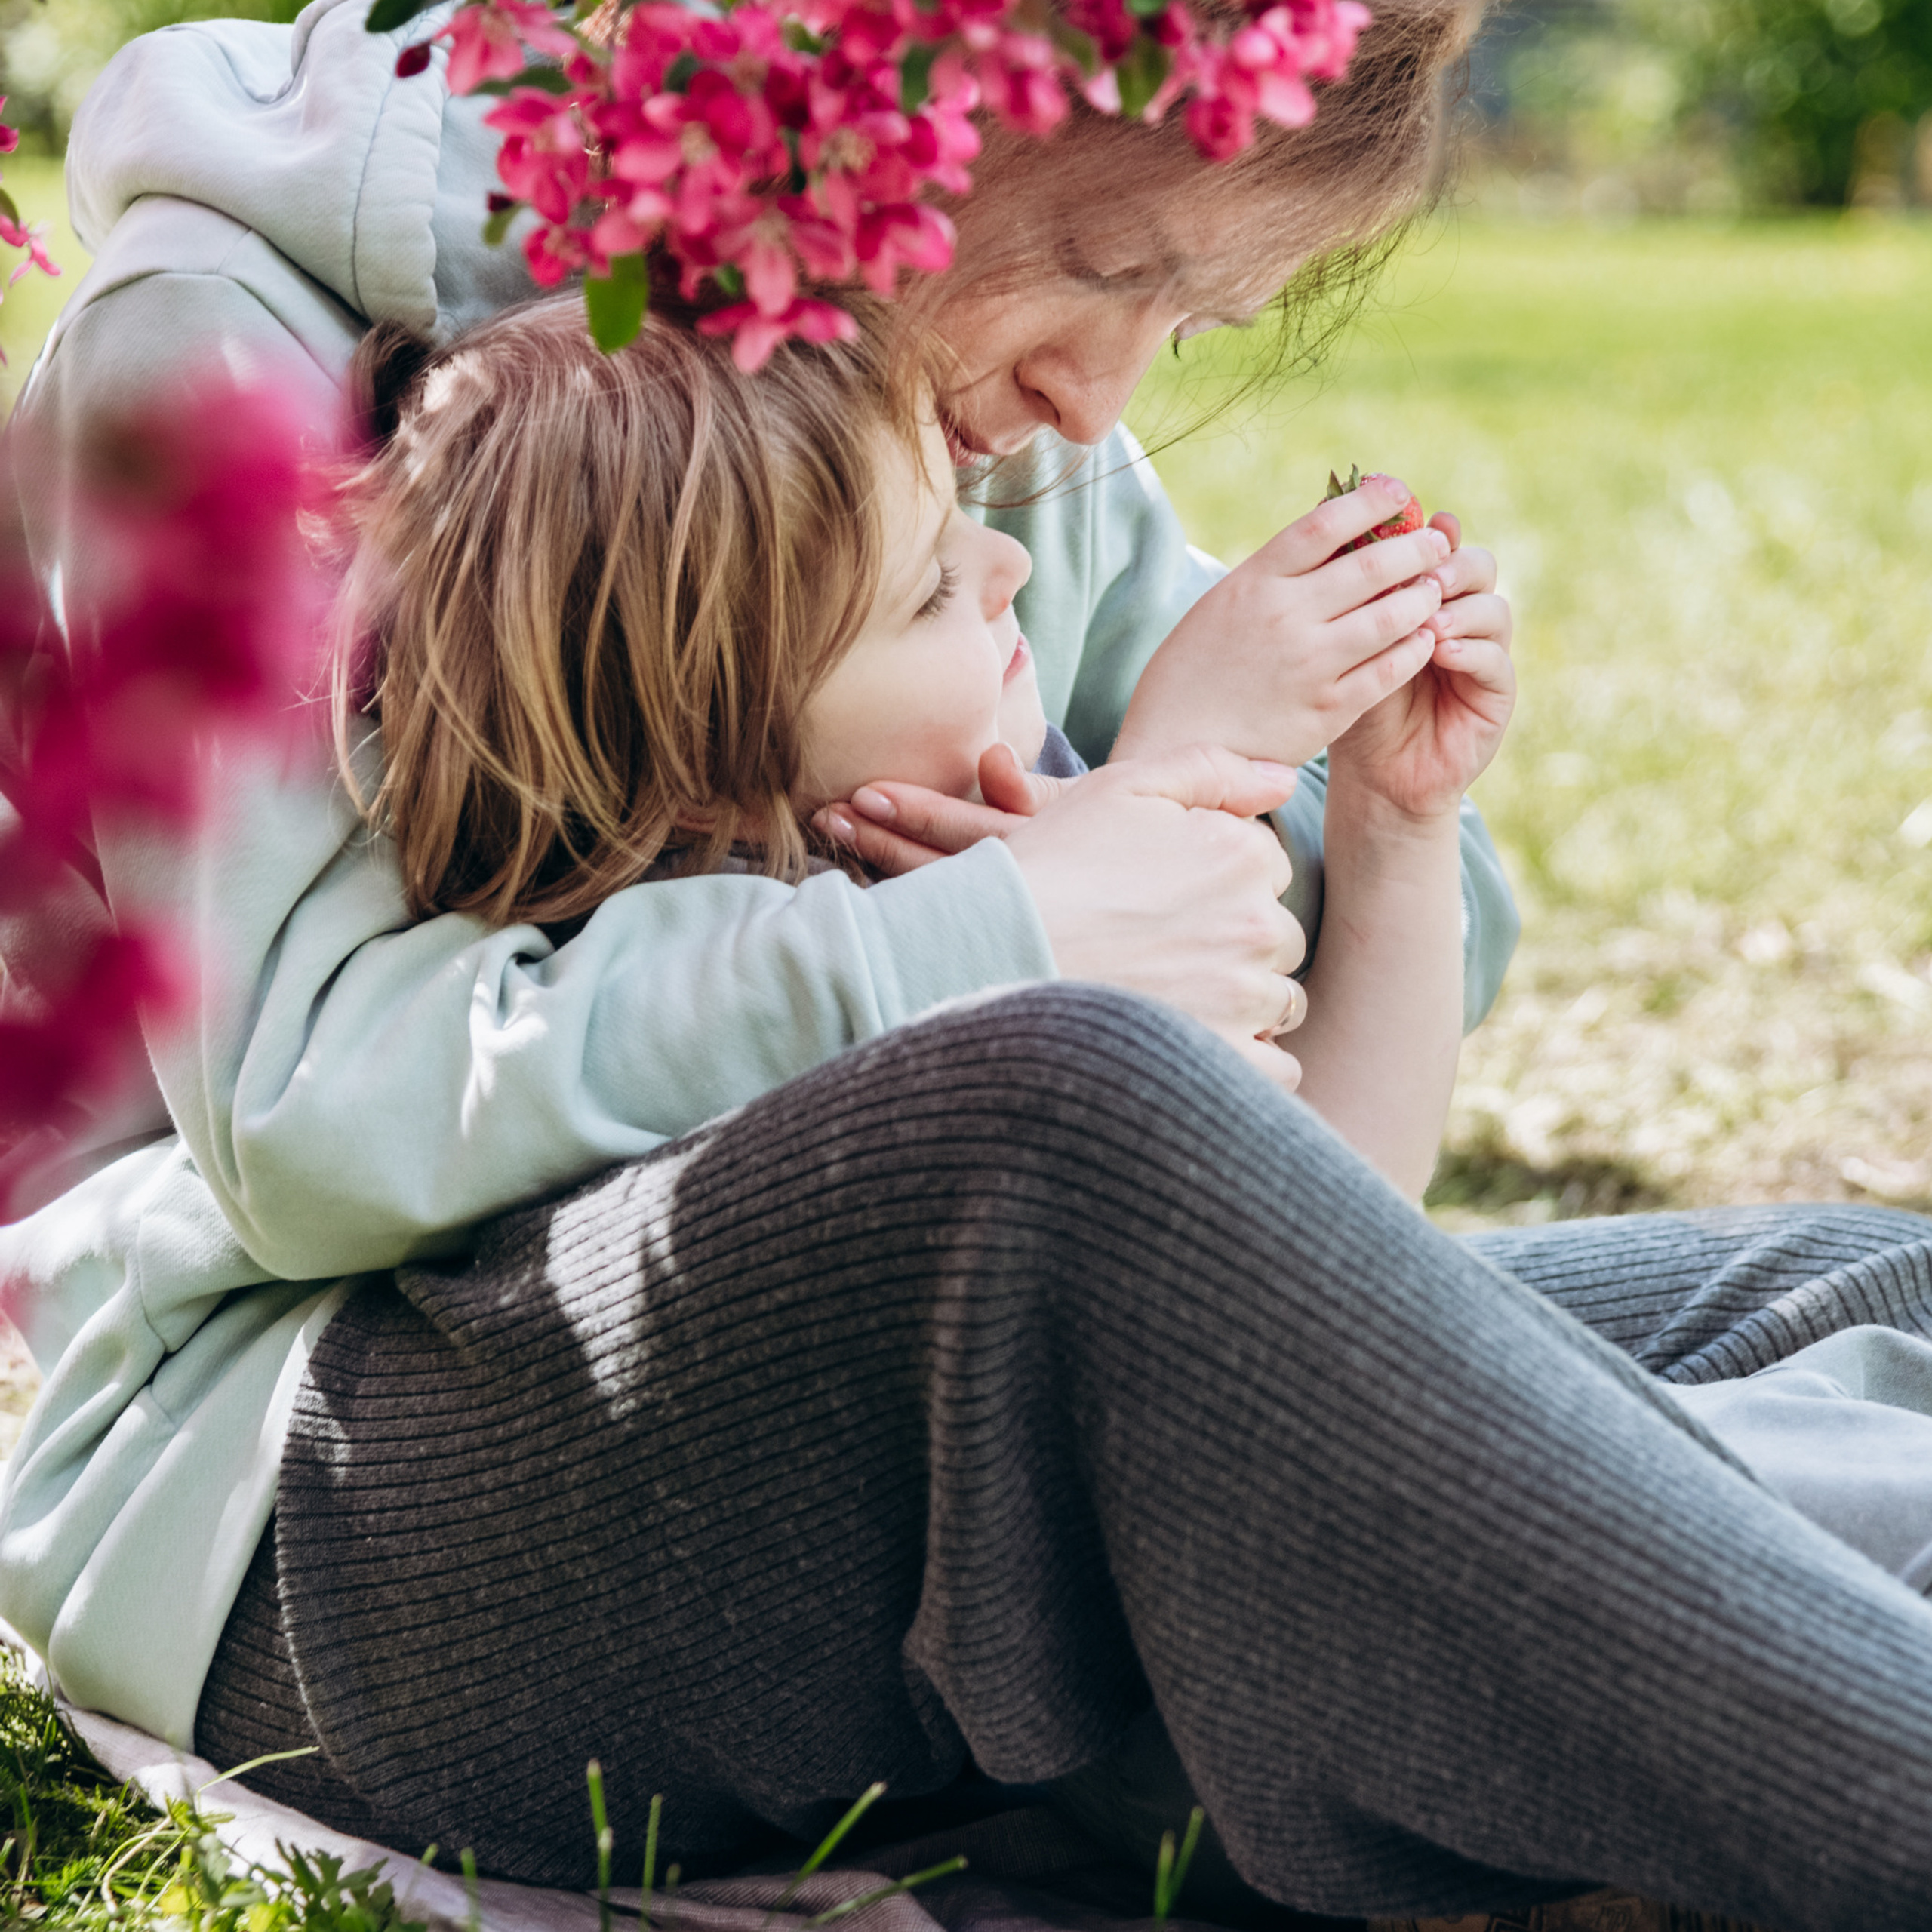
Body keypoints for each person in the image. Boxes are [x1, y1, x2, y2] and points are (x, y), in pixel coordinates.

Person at [6, 1, 1932, 1925]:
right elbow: (308, 1113)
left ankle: (1693, 1683)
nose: (1099, 406)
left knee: (1852, 1280)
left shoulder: (929, 372)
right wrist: (993, 929)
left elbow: (1336, 1039)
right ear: (912, 85)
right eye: (1105, 269)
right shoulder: (220, 349)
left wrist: (1223, 803)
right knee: (1064, 1117)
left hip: (874, 1425)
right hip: (321, 1495)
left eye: (1189, 322)